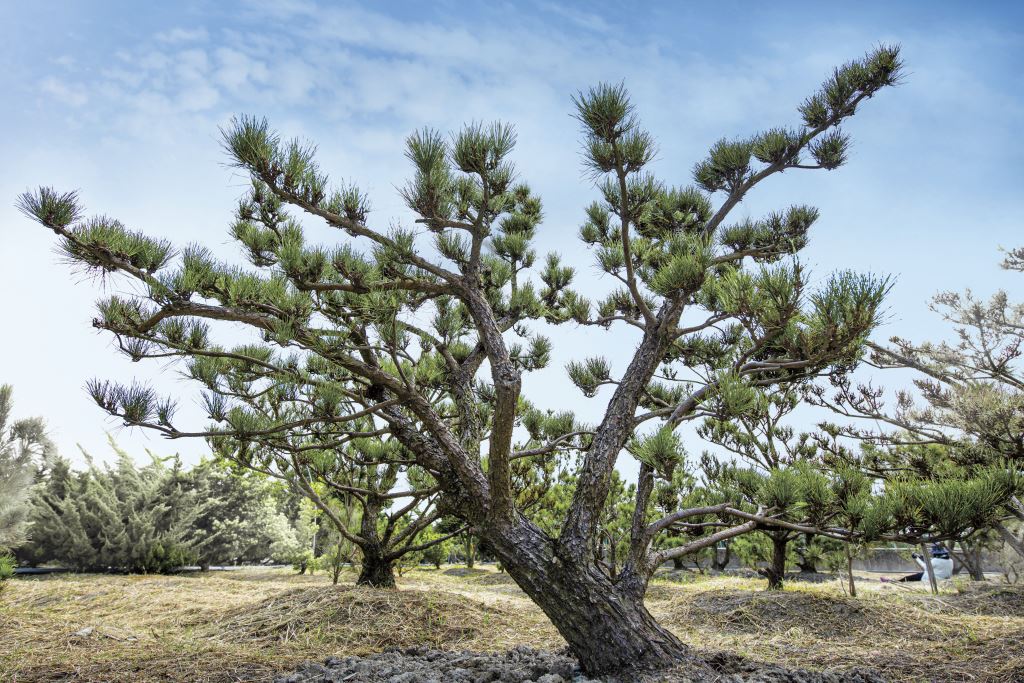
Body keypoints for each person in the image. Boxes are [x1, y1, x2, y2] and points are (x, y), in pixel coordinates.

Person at [881, 544, 954, 583]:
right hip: (942, 580)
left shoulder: (935, 560)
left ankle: (892, 581)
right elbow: (933, 563)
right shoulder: (950, 560)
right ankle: (894, 581)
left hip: (930, 579)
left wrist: (916, 558)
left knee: (908, 578)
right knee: (911, 577)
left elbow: (925, 567)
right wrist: (922, 557)